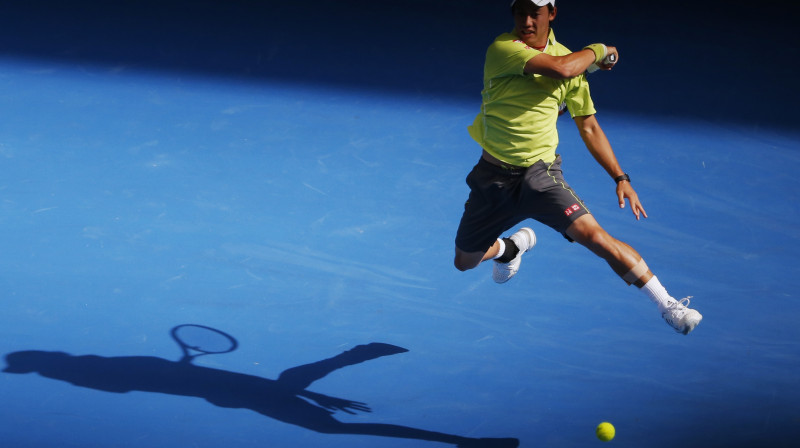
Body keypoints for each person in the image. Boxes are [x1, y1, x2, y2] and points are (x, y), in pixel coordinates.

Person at [453, 0, 702, 334]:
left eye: (535, 12)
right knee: (464, 262)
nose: (526, 20)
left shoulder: (573, 62)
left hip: (540, 177)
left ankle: (668, 304)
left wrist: (620, 176)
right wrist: (599, 50)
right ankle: (511, 248)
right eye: (520, 12)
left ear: (551, 13)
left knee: (595, 237)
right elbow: (562, 69)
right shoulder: (505, 49)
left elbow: (589, 127)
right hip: (492, 179)